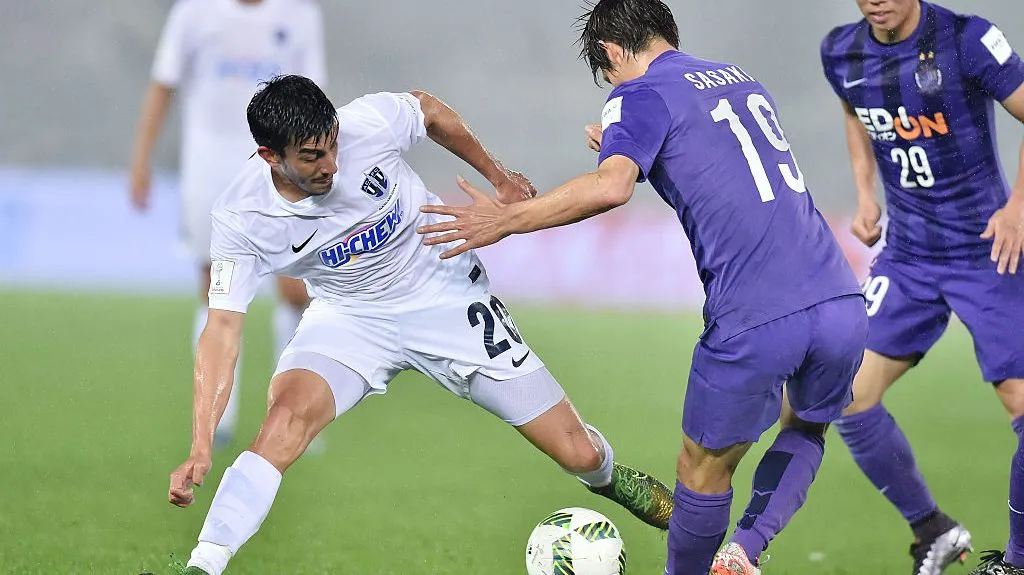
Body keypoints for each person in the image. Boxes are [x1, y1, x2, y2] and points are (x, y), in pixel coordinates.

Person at [417, 1, 868, 573]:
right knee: (806, 426)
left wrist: (507, 219)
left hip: (756, 312)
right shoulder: (737, 78)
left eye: (606, 75)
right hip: (839, 299)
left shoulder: (637, 94)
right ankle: (745, 550)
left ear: (609, 51)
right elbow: (717, 160)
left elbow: (611, 188)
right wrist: (628, 142)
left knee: (701, 472)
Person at [165, 75, 674, 575]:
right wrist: (201, 444)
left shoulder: (368, 122)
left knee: (579, 453)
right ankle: (204, 564)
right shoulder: (241, 217)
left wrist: (499, 177)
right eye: (313, 157)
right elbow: (222, 330)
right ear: (269, 156)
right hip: (350, 315)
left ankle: (616, 482)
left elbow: (429, 111)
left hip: (444, 291)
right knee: (283, 423)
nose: (332, 165)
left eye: (334, 146)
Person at [821, 1, 1024, 573]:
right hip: (909, 258)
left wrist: (1018, 208)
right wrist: (865, 195)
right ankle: (932, 529)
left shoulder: (968, 39)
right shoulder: (841, 51)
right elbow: (854, 110)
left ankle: (1016, 561)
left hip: (989, 252)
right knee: (847, 393)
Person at [128, 0, 327, 447]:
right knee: (215, 286)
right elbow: (163, 86)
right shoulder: (194, 13)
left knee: (297, 288)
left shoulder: (299, 16)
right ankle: (218, 419)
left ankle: (298, 415)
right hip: (211, 169)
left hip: (279, 168)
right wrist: (141, 161)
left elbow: (315, 100)